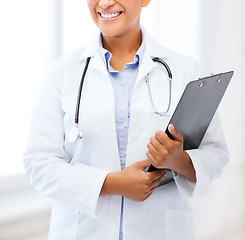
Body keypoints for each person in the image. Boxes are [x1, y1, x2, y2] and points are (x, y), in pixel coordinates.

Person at [23, 0, 228, 239]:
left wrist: (178, 159)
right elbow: (39, 164)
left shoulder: (185, 70)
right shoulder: (62, 73)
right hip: (84, 231)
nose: (106, 2)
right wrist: (111, 183)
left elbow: (216, 154)